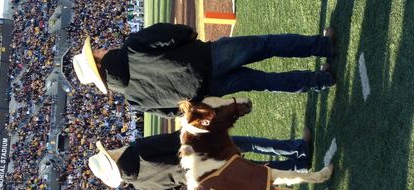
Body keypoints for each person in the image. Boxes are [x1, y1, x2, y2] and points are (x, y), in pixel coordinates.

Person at [72, 23, 336, 118]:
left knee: (264, 81)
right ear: (97, 62)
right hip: (206, 55)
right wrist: (190, 37)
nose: (99, 48)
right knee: (265, 45)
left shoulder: (133, 100)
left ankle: (321, 80)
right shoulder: (131, 48)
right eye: (95, 52)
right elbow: (167, 34)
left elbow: (174, 111)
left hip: (208, 88)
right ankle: (323, 45)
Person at [88, 129, 313, 190]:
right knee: (248, 143)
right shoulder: (138, 151)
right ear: (112, 156)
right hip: (200, 151)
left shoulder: (139, 186)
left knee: (254, 170)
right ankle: (297, 149)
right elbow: (173, 141)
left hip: (199, 176)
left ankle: (297, 167)